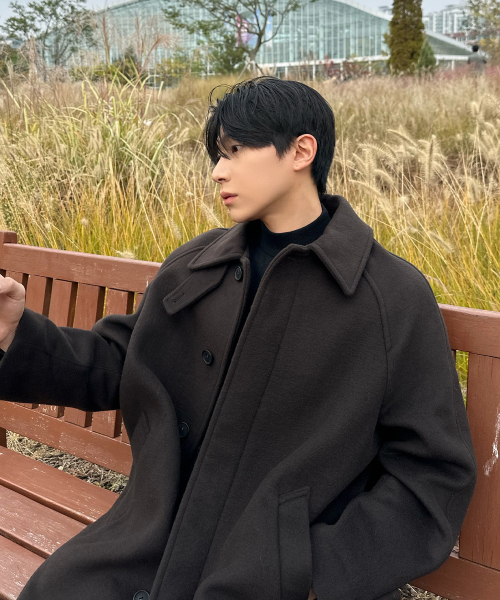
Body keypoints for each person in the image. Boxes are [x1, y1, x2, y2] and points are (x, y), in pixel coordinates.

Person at [0, 76, 477, 600]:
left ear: (301, 151)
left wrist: (308, 572)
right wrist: (14, 332)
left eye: (235, 150)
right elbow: (122, 361)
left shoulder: (389, 297)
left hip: (272, 578)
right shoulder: (197, 265)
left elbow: (433, 473)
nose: (217, 171)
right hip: (145, 548)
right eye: (217, 154)